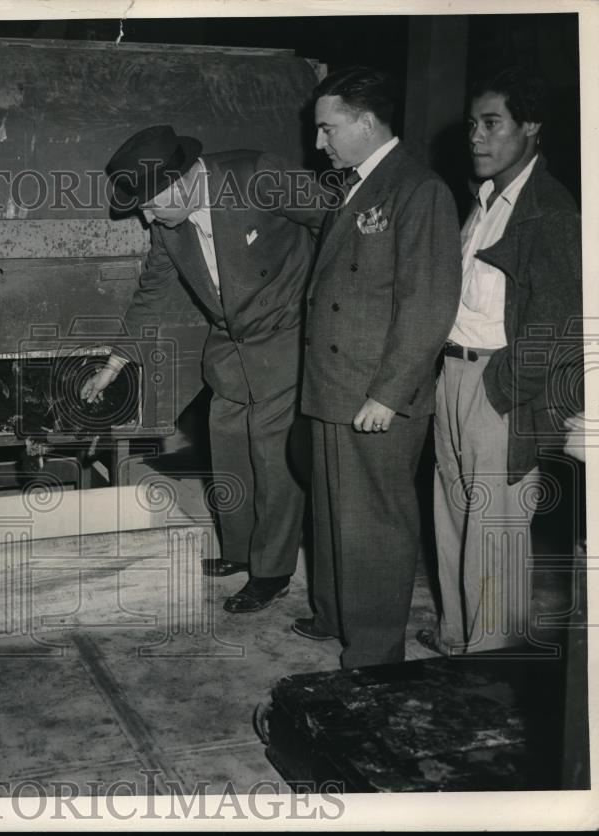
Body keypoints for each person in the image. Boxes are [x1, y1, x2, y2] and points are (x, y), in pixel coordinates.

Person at [82, 125, 326, 613]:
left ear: (184, 181)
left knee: (274, 460)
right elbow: (151, 292)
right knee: (230, 449)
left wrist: (326, 309)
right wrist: (114, 362)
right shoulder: (168, 226)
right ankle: (240, 551)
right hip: (230, 352)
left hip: (285, 343)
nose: (147, 219)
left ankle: (272, 571)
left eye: (151, 205)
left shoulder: (259, 176)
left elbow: (337, 226)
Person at [292, 66, 462, 668]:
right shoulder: (359, 183)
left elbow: (429, 302)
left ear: (366, 123)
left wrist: (388, 394)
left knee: (375, 526)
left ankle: (372, 652)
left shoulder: (418, 190)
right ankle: (335, 615)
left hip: (374, 391)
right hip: (335, 384)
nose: (321, 143)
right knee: (335, 513)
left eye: (328, 129)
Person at [417, 67, 583, 656]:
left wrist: (501, 389)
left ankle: (494, 657)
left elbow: (558, 324)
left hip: (498, 383)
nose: (477, 137)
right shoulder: (485, 198)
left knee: (498, 530)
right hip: (453, 374)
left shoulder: (551, 210)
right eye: (472, 125)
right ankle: (457, 633)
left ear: (531, 126)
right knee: (454, 515)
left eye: (493, 124)